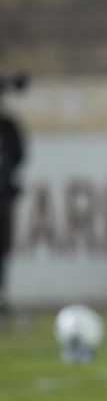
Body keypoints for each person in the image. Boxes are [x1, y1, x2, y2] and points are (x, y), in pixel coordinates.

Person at [0, 80, 26, 315]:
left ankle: (2, 295)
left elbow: (19, 156)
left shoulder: (9, 127)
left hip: (3, 198)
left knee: (3, 247)